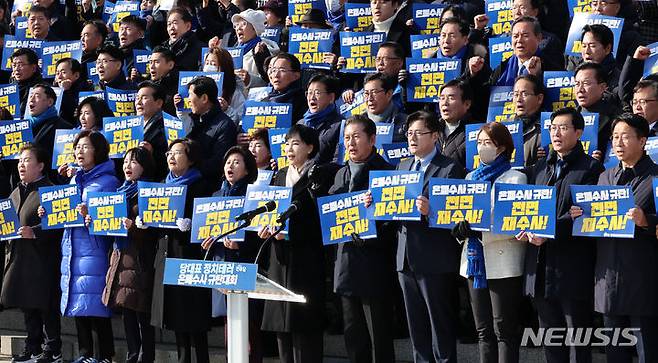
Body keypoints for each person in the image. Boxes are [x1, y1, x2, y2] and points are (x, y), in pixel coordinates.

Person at [570, 113, 658, 363]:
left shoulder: (656, 178)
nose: (618, 143)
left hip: (643, 278)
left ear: (642, 141)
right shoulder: (604, 178)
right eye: (615, 137)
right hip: (608, 278)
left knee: (647, 351)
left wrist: (647, 221)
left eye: (626, 137)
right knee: (614, 352)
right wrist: (581, 217)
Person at [523, 107, 604, 363]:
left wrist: (549, 232)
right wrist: (523, 227)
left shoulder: (591, 168)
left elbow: (584, 214)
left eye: (564, 128)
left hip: (573, 267)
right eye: (552, 128)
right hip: (540, 266)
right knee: (551, 339)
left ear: (579, 132)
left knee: (578, 340)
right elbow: (528, 210)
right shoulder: (538, 169)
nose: (556, 133)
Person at [452, 121, 527, 363]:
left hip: (503, 262)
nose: (483, 147)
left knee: (504, 330)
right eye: (480, 143)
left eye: (489, 143)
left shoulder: (515, 178)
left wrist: (479, 231)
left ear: (502, 147)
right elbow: (456, 216)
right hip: (473, 262)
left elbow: (515, 222)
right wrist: (459, 230)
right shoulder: (469, 177)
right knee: (483, 330)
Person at [394, 111, 465, 362]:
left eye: (418, 133)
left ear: (435, 136)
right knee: (417, 329)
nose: (412, 138)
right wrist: (375, 203)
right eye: (409, 133)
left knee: (440, 327)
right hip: (405, 259)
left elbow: (457, 216)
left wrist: (431, 211)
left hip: (434, 259)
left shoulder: (450, 168)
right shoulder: (402, 166)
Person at [329, 115, 396, 363]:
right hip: (345, 266)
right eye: (347, 138)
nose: (351, 143)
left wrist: (373, 215)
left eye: (356, 137)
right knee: (354, 338)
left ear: (372, 139)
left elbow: (394, 224)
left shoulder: (386, 173)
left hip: (374, 267)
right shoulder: (339, 174)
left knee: (379, 338)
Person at [259, 124, 327, 363]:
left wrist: (290, 233)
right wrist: (265, 228)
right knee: (282, 326)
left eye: (296, 143)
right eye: (287, 143)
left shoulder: (317, 175)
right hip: (278, 258)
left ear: (310, 147)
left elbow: (320, 219)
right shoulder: (278, 176)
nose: (289, 148)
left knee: (303, 326)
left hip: (304, 259)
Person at [50, 130, 119, 363]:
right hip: (73, 247)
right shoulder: (74, 179)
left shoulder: (108, 181)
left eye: (85, 147)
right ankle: (85, 354)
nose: (80, 151)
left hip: (95, 249)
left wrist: (92, 216)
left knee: (96, 304)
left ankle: (105, 355)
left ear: (98, 151)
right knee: (78, 301)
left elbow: (113, 218)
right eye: (77, 147)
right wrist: (48, 212)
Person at [149, 138, 213, 363]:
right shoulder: (160, 186)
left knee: (194, 317)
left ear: (191, 158)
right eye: (169, 153)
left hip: (189, 258)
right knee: (176, 317)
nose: (171, 157)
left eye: (177, 153)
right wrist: (145, 221)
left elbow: (208, 222)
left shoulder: (200, 186)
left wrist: (190, 224)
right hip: (167, 256)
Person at [201, 146, 263, 363]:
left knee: (249, 331)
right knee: (230, 328)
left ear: (247, 170)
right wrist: (208, 241)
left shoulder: (254, 197)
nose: (231, 166)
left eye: (237, 162)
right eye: (228, 162)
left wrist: (241, 246)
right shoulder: (215, 196)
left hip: (244, 266)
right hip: (221, 265)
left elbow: (259, 236)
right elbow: (207, 229)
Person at [2, 145, 63, 363]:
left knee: (44, 306)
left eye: (27, 160)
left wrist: (34, 232)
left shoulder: (50, 190)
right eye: (20, 160)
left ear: (41, 166)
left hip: (43, 259)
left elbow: (60, 225)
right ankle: (33, 347)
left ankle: (52, 349)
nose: (21, 164)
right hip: (19, 258)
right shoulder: (16, 191)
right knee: (27, 306)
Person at [102, 147, 157, 363]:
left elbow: (154, 231)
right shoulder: (118, 192)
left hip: (140, 259)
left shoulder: (149, 192)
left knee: (141, 312)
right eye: (125, 161)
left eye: (133, 162)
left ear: (144, 166)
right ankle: (133, 355)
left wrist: (134, 227)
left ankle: (145, 357)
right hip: (120, 256)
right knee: (127, 311)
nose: (127, 166)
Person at [180, 76, 237, 186]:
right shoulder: (191, 119)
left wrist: (189, 166)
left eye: (190, 95)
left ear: (204, 98)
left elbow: (218, 163)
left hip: (206, 187)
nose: (188, 100)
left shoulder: (225, 125)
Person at [574, 62, 622, 160]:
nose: (580, 89)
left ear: (602, 87)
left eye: (586, 83)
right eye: (577, 84)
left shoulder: (616, 118)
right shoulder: (568, 117)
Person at [25, 83, 74, 180]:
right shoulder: (24, 128)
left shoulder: (64, 128)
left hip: (48, 185)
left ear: (50, 102)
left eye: (37, 96)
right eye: (31, 96)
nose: (31, 99)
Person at [227, 9, 279, 89]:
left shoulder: (264, 51)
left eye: (243, 24)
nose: (238, 28)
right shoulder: (233, 51)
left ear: (255, 29)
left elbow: (269, 82)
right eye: (236, 25)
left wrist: (250, 80)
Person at [566, 24, 620, 94]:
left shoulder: (618, 80)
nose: (587, 51)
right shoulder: (573, 69)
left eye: (592, 46)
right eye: (584, 46)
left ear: (607, 48)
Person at [301, 74, 342, 164]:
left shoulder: (340, 125)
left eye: (317, 93)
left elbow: (338, 160)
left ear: (331, 97)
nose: (312, 97)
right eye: (309, 93)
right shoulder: (300, 124)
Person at [202, 47, 246, 125]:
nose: (209, 67)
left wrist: (227, 110)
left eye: (213, 64)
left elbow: (241, 120)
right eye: (207, 63)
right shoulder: (198, 88)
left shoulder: (234, 92)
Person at [135, 81, 169, 181]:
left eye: (144, 98)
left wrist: (152, 154)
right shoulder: (131, 125)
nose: (138, 102)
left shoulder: (166, 128)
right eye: (137, 98)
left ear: (159, 103)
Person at [363, 73, 407, 143]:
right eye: (366, 93)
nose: (369, 98)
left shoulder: (406, 123)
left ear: (389, 94)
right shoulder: (358, 124)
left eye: (374, 92)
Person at [263, 53, 307, 122]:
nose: (276, 75)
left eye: (282, 70)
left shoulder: (304, 102)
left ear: (296, 76)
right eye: (273, 70)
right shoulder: (263, 100)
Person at [512, 74, 545, 166]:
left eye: (524, 94)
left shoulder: (548, 130)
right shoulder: (503, 128)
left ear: (539, 98)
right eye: (516, 94)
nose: (518, 99)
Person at [437, 79, 472, 167]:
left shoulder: (475, 132)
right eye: (442, 98)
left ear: (467, 104)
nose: (444, 103)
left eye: (451, 98)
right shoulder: (432, 128)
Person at [54, 58, 93, 125]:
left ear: (76, 75)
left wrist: (65, 92)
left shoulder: (86, 90)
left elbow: (73, 116)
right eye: (57, 73)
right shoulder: (53, 91)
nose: (59, 77)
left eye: (63, 72)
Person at [10, 48, 43, 116]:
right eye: (14, 65)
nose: (16, 69)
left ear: (34, 68)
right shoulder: (8, 89)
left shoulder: (44, 90)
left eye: (21, 65)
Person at [148, 46, 179, 115]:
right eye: (150, 62)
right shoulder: (147, 87)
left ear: (170, 65)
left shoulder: (179, 89)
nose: (151, 66)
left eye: (156, 62)